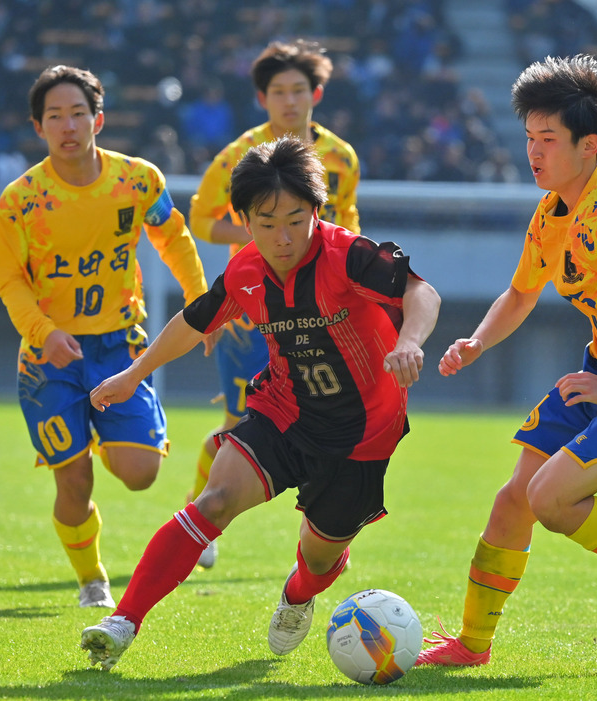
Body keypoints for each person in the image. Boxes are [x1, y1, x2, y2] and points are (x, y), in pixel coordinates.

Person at [79, 136, 440, 672]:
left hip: (363, 437)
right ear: (244, 220)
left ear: (317, 210)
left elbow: (421, 292)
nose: (283, 237)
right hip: (283, 413)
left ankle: (299, 596)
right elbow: (194, 321)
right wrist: (134, 374)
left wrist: (409, 341)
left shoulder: (349, 254)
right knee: (215, 499)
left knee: (318, 558)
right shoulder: (247, 271)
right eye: (266, 223)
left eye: (296, 219)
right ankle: (123, 620)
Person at [418, 54, 597, 667]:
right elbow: (522, 291)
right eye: (529, 137)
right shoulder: (553, 211)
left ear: (589, 145)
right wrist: (476, 341)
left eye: (547, 139)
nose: (534, 151)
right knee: (513, 500)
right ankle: (471, 646)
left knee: (550, 499)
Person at [0, 65, 207, 610]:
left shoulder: (137, 180)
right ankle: (93, 580)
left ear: (99, 120)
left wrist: (202, 300)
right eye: (55, 116)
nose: (68, 125)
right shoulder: (21, 201)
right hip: (51, 358)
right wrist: (44, 331)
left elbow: (172, 235)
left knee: (140, 474)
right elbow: (10, 280)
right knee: (74, 484)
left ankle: (110, 434)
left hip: (118, 347)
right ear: (38, 127)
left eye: (78, 113)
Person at [187, 39, 361, 568]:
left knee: (327, 419)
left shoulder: (341, 158)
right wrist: (259, 236)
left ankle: (321, 536)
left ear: (317, 93)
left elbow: (347, 221)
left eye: (299, 90)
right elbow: (199, 219)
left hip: (321, 311)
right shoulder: (241, 156)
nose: (289, 101)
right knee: (243, 419)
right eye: (279, 92)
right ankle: (203, 516)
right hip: (255, 309)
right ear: (263, 98)